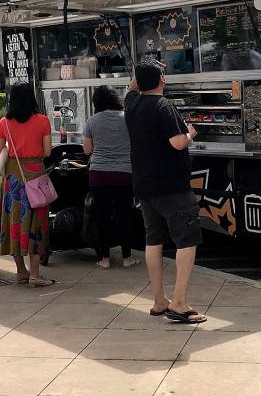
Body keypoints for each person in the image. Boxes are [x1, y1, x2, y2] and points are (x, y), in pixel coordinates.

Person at [123, 60, 206, 324]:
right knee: (187, 240)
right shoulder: (164, 106)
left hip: (144, 185)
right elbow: (177, 142)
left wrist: (140, 75)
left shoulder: (132, 105)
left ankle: (159, 300)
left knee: (153, 239)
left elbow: (129, 88)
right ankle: (179, 302)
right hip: (171, 186)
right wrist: (191, 133)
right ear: (162, 81)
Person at [0, 82, 54, 286]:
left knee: (14, 222)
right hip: (35, 175)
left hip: (13, 178)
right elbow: (47, 152)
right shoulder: (43, 121)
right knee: (37, 222)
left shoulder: (4, 123)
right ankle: (36, 274)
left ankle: (21, 271)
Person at [83, 86, 139, 270]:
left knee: (102, 217)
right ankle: (127, 257)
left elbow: (87, 150)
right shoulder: (128, 119)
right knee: (125, 216)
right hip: (124, 174)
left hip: (99, 175)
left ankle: (105, 259)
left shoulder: (92, 121)